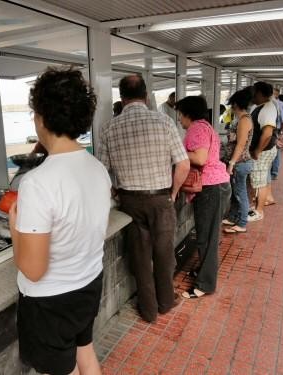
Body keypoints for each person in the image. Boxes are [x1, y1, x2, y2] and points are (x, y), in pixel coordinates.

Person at [9, 67, 111, 375]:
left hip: (50, 302)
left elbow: (33, 270)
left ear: (41, 118)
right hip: (89, 283)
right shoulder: (96, 168)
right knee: (85, 353)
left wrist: (14, 227)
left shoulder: (37, 182)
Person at [99, 75, 189, 322]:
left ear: (122, 97)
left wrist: (115, 192)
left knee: (139, 258)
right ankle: (166, 302)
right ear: (146, 96)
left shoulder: (108, 127)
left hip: (129, 203)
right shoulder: (164, 122)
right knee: (163, 254)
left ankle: (148, 310)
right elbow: (183, 165)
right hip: (160, 200)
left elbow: (102, 171)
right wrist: (172, 192)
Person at [175, 96, 230, 299]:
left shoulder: (196, 128)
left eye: (180, 114)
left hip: (210, 188)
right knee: (208, 235)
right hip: (215, 185)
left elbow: (200, 158)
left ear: (188, 113)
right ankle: (202, 272)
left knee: (206, 238)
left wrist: (175, 151)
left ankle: (205, 285)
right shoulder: (205, 126)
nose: (180, 119)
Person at [222, 88, 254, 234]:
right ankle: (233, 217)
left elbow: (241, 144)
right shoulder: (241, 119)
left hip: (240, 163)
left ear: (236, 104)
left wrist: (232, 163)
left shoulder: (244, 120)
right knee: (236, 192)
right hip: (239, 162)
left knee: (241, 193)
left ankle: (241, 223)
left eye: (232, 104)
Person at [247, 82, 278, 222]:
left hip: (263, 151)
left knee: (259, 181)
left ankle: (259, 211)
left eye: (253, 92)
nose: (251, 95)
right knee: (260, 179)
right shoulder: (259, 107)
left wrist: (257, 151)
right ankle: (256, 207)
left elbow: (267, 133)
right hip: (262, 150)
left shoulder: (267, 108)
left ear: (259, 93)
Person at [270, 87, 283, 180]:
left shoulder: (281, 105)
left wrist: (281, 132)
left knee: (276, 151)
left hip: (275, 130)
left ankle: (274, 172)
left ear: (277, 94)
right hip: (271, 130)